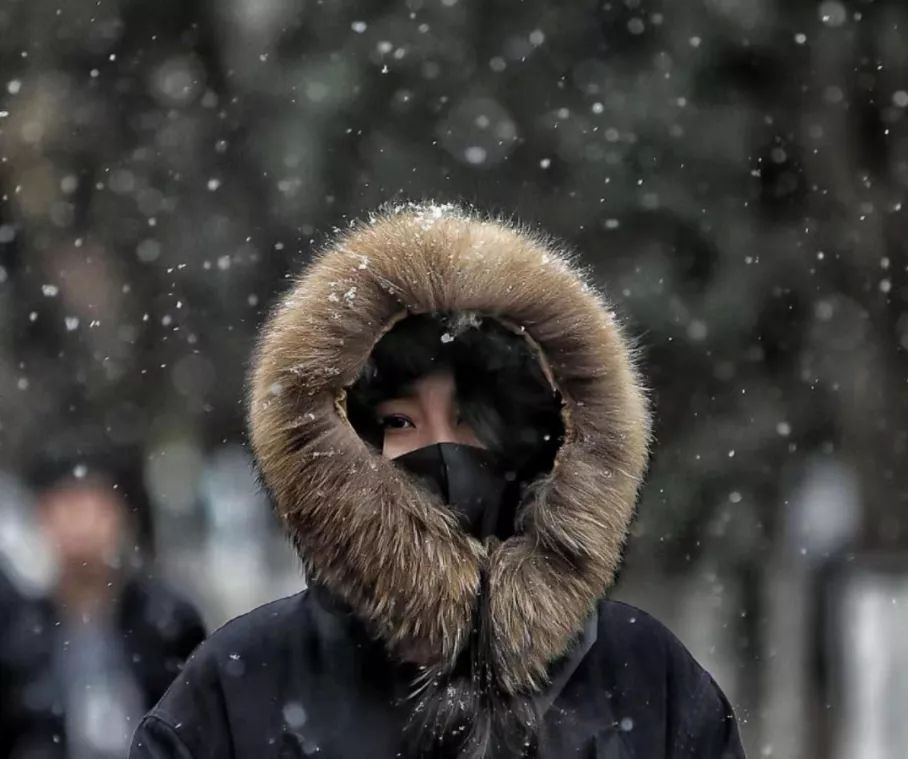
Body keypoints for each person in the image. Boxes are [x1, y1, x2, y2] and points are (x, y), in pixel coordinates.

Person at [129, 204, 745, 758]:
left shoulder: (641, 675)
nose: (440, 450)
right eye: (401, 420)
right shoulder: (243, 684)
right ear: (346, 441)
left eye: (469, 421)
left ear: (533, 442)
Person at [0, 461, 206, 759]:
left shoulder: (166, 619)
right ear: (43, 520)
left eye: (93, 509)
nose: (82, 526)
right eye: (68, 510)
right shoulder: (17, 630)